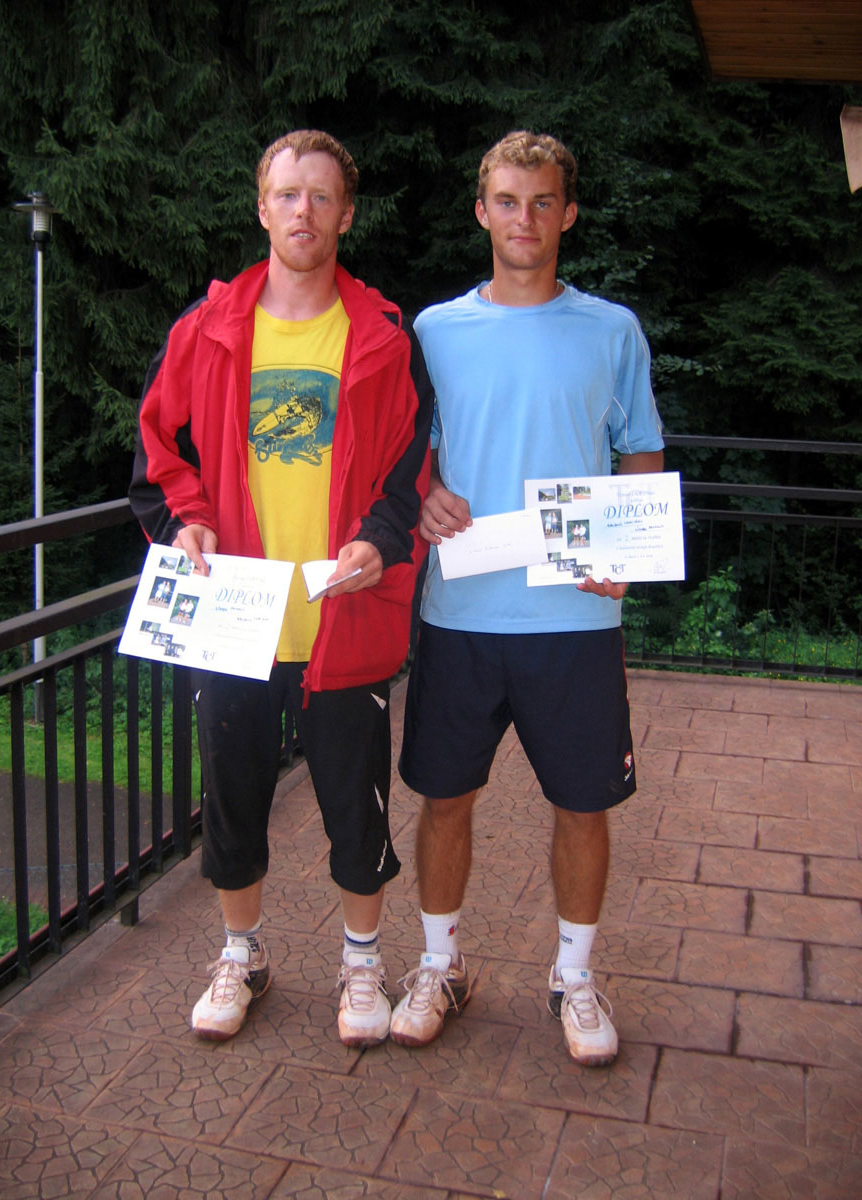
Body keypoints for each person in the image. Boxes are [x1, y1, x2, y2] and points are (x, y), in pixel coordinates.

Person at [130, 130, 433, 1046]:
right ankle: (242, 955)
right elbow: (157, 449)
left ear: (347, 215)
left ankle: (361, 964)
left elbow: (410, 471)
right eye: (288, 194)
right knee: (231, 801)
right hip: (236, 620)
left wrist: (382, 539)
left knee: (357, 807)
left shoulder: (383, 335)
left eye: (322, 196)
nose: (305, 210)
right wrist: (184, 521)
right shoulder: (207, 327)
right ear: (262, 208)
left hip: (344, 615)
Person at [390, 130, 664, 1066]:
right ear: (481, 212)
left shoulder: (612, 330)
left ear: (568, 213)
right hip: (460, 613)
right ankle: (440, 966)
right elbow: (405, 451)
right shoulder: (433, 331)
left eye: (543, 201)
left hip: (575, 618)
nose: (525, 218)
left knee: (583, 805)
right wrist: (425, 490)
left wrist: (625, 545)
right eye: (508, 201)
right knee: (444, 800)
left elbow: (640, 448)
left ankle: (574, 978)